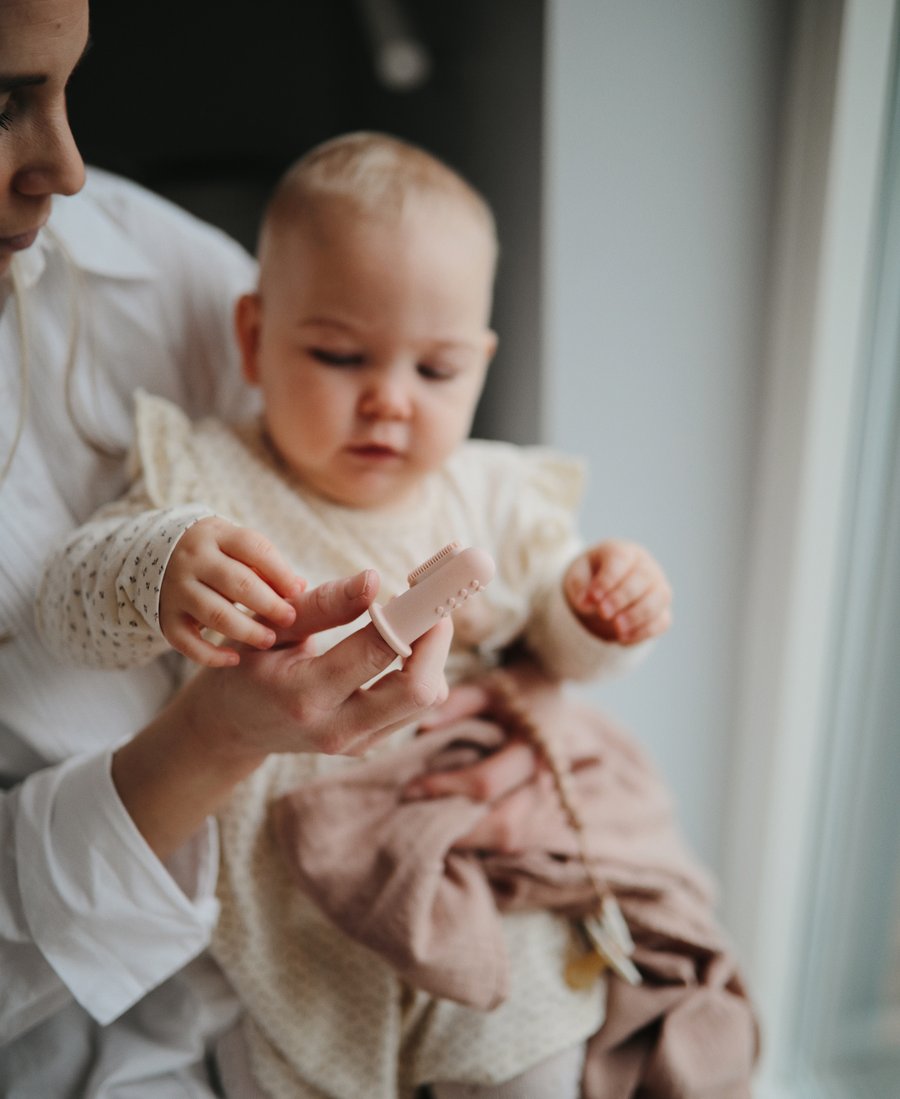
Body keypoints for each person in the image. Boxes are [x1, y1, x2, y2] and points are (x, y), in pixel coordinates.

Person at [35, 132, 675, 1099]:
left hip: (463, 858)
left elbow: (557, 637)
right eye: (340, 354)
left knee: (535, 1062)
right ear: (253, 339)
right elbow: (60, 608)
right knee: (285, 1063)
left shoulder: (488, 491)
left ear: (482, 364)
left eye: (437, 371)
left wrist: (599, 606)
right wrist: (155, 570)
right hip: (289, 889)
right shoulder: (202, 479)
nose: (388, 401)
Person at [0, 4, 456, 1096]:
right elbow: (81, 587)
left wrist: (591, 615)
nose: (64, 169)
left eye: (67, 88)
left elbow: (527, 564)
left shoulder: (176, 275)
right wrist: (210, 738)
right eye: (4, 100)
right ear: (266, 342)